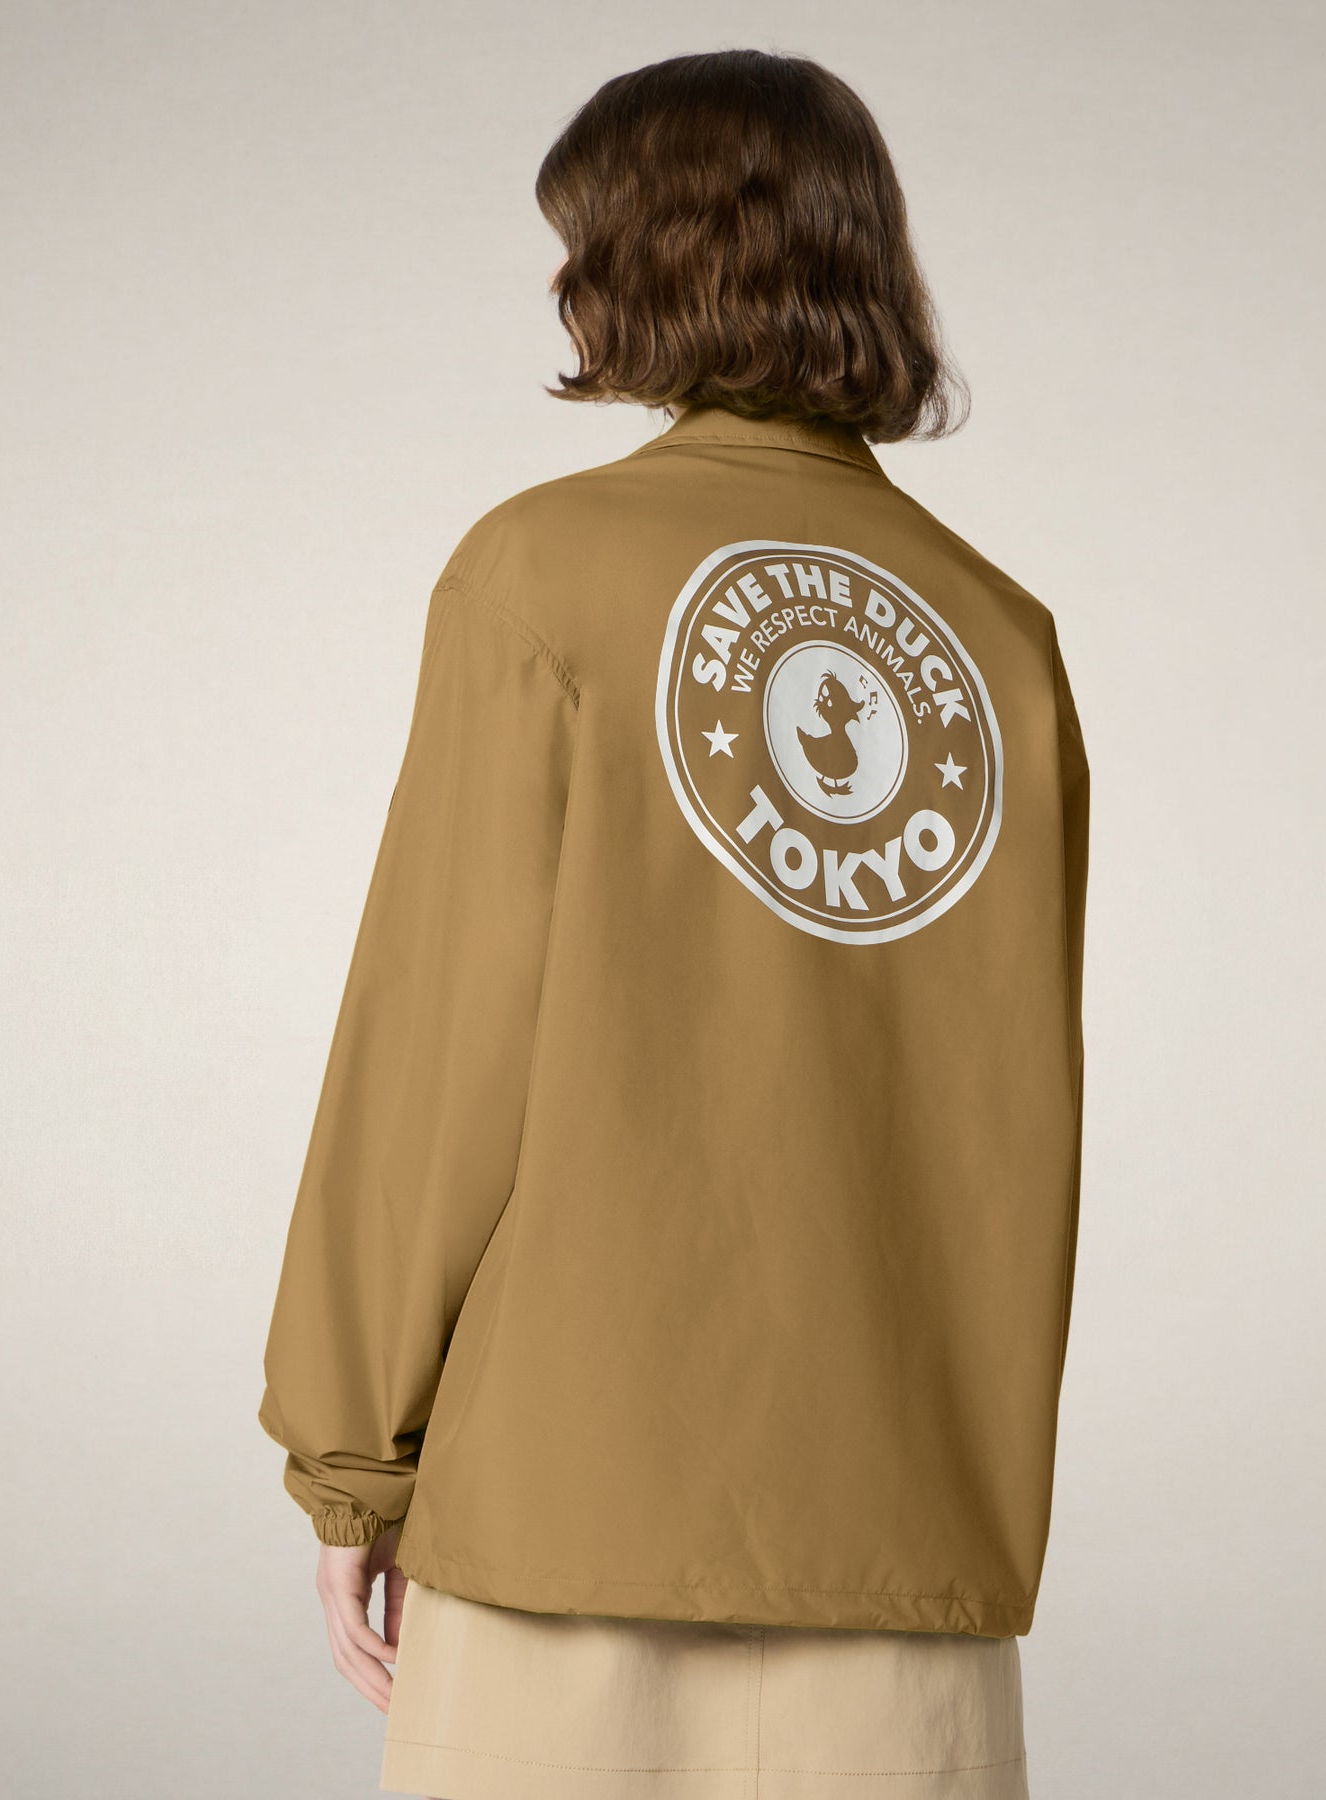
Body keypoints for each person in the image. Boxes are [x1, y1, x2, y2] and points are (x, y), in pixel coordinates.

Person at [258, 47, 1089, 1800]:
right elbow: (1007, 1105)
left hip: (565, 1529)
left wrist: (352, 1459)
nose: (562, 282)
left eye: (582, 241)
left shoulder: (543, 573)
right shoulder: (1000, 641)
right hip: (906, 1539)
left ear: (655, 255)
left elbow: (438, 1045)